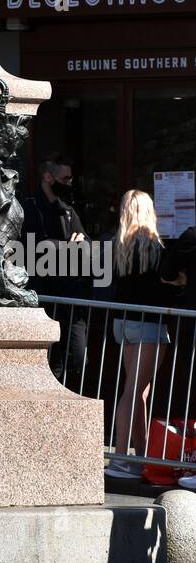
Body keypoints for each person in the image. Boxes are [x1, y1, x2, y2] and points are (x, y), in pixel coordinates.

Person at [105, 190, 173, 481]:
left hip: (123, 323)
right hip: (148, 324)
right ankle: (121, 459)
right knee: (133, 391)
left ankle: (140, 454)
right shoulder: (155, 248)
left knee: (138, 391)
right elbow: (168, 285)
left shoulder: (116, 246)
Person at [21, 153, 89, 384]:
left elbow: (85, 243)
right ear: (48, 177)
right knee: (48, 357)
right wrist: (66, 246)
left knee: (77, 355)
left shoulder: (68, 209)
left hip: (70, 294)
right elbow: (31, 245)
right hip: (43, 294)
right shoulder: (29, 207)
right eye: (65, 178)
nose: (69, 184)